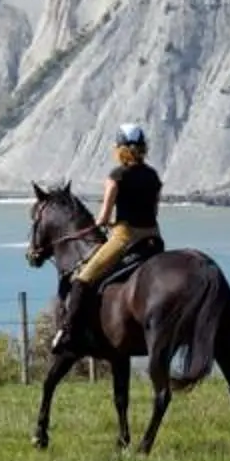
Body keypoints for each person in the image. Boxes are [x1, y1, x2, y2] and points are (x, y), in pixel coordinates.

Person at [64, 125, 163, 321]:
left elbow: (102, 218)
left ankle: (68, 332)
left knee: (81, 279)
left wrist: (102, 224)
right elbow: (154, 212)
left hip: (125, 239)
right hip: (153, 239)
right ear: (143, 148)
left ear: (121, 149)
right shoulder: (154, 176)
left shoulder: (116, 176)